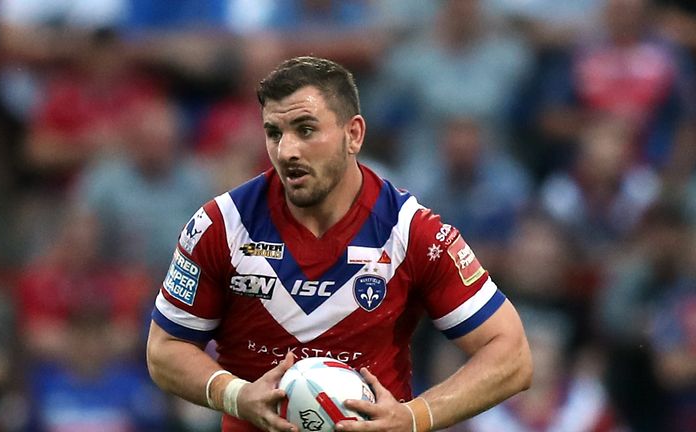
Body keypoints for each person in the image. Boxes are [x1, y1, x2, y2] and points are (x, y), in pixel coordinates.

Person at [146, 56, 532, 432]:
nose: (287, 151)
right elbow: (164, 349)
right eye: (274, 133)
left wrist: (416, 417)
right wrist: (236, 395)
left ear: (354, 134)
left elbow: (511, 355)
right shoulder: (222, 225)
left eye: (305, 129)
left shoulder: (409, 232)